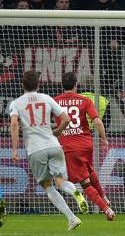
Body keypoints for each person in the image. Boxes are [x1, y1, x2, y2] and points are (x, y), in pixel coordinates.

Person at [9, 70, 87, 230]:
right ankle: (75, 192)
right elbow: (66, 118)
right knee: (61, 181)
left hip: (35, 149)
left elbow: (15, 124)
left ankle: (72, 218)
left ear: (22, 85)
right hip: (53, 145)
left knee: (47, 185)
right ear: (38, 84)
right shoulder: (47, 98)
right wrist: (57, 132)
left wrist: (15, 149)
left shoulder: (16, 103)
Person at [54, 72, 115, 221]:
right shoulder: (85, 101)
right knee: (90, 171)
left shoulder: (54, 102)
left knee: (84, 182)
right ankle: (104, 197)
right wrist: (104, 138)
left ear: (62, 85)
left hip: (69, 146)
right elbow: (98, 122)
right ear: (76, 85)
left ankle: (107, 210)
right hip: (86, 144)